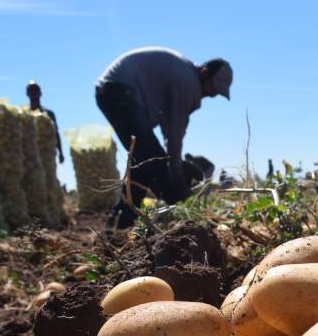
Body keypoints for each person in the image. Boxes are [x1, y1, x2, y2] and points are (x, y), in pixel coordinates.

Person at [95, 47, 233, 228]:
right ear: (205, 73)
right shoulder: (189, 83)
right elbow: (174, 135)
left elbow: (170, 131)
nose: (212, 95)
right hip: (119, 90)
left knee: (143, 162)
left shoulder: (185, 74)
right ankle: (187, 219)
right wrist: (178, 184)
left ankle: (119, 222)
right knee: (154, 162)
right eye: (213, 88)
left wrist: (173, 167)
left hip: (114, 88)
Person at [26, 81, 64, 164]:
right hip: (29, 156)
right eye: (31, 91)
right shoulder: (24, 114)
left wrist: (60, 152)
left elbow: (56, 133)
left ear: (40, 93)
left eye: (36, 90)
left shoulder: (49, 114)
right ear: (28, 94)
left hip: (46, 154)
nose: (34, 93)